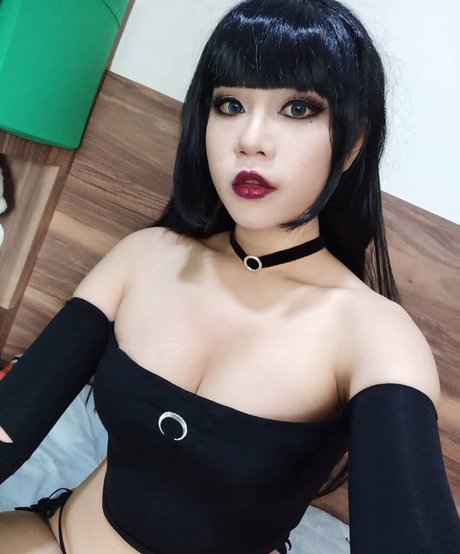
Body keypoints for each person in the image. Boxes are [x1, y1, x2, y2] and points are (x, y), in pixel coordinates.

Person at [1, 0, 459, 552]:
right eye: (231, 104)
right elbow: (10, 424)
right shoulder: (143, 257)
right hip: (54, 537)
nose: (250, 139)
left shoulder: (375, 335)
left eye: (297, 109)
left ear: (354, 143)